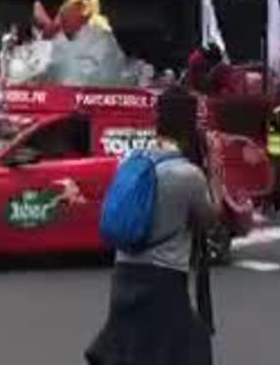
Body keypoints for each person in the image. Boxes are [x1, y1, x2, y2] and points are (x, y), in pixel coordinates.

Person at [85, 87, 217, 365]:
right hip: (164, 281)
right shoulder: (188, 174)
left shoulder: (132, 161)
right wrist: (214, 168)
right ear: (188, 125)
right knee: (187, 352)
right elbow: (210, 218)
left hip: (124, 273)